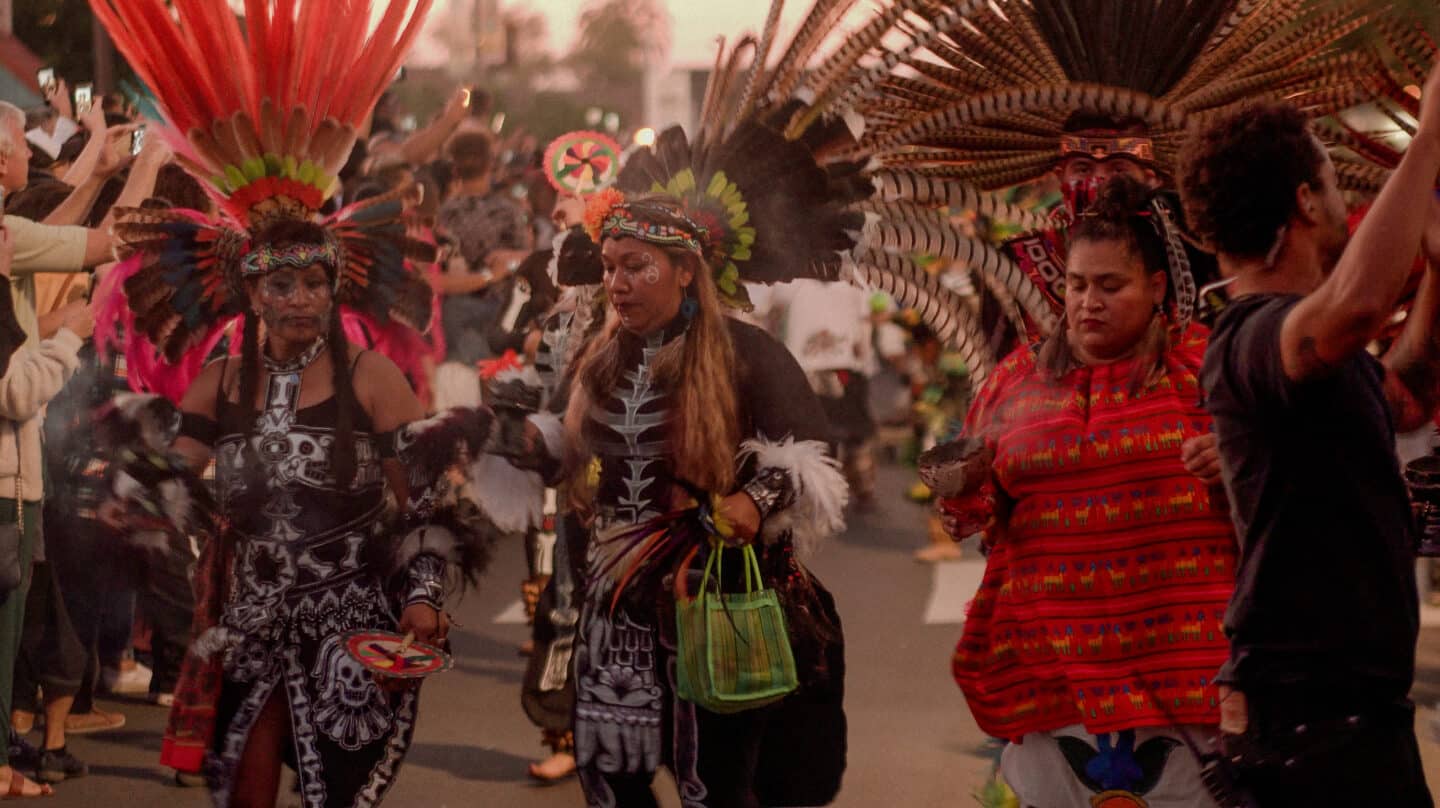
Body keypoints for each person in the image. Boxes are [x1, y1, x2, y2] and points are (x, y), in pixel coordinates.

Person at [86, 1, 466, 803]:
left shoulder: (370, 378)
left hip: (352, 619)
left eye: (315, 283)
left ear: (336, 286)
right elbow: (180, 469)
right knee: (246, 786)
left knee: (336, 793)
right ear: (250, 293)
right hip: (252, 615)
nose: (300, 299)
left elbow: (424, 500)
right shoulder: (221, 382)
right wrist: (137, 492)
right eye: (281, 284)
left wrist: (425, 596)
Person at [1176, 73, 1440, 805]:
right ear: (1304, 199)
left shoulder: (1314, 352)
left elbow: (1409, 395)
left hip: (1348, 723)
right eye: (1329, 181)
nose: (1338, 200)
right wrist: (1428, 142)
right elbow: (1355, 306)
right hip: (1305, 730)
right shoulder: (1253, 334)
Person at [938, 177, 1236, 807]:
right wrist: (962, 489)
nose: (1087, 302)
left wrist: (1237, 466)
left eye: (1110, 286)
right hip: (1051, 679)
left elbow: (1274, 501)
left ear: (1156, 288)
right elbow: (967, 517)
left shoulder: (1207, 370)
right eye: (1076, 285)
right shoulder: (1013, 382)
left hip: (1185, 679)